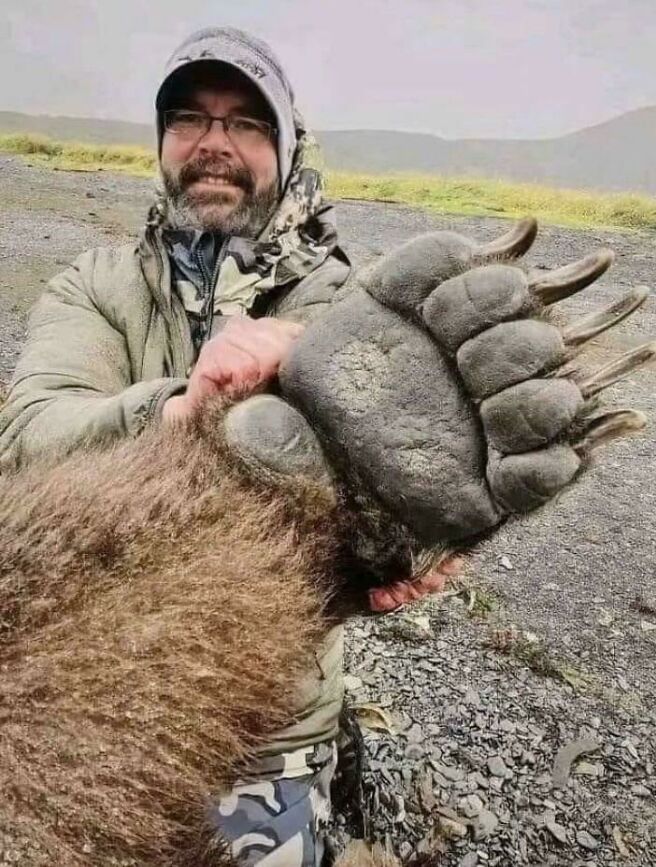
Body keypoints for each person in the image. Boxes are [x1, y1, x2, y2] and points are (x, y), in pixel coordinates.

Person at [0, 27, 460, 865]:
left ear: (286, 149)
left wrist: (401, 545)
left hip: (271, 716)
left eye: (247, 121)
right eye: (190, 117)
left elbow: (375, 500)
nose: (214, 142)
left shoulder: (347, 312)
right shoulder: (94, 287)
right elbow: (30, 441)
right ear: (162, 143)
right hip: (61, 683)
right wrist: (184, 409)